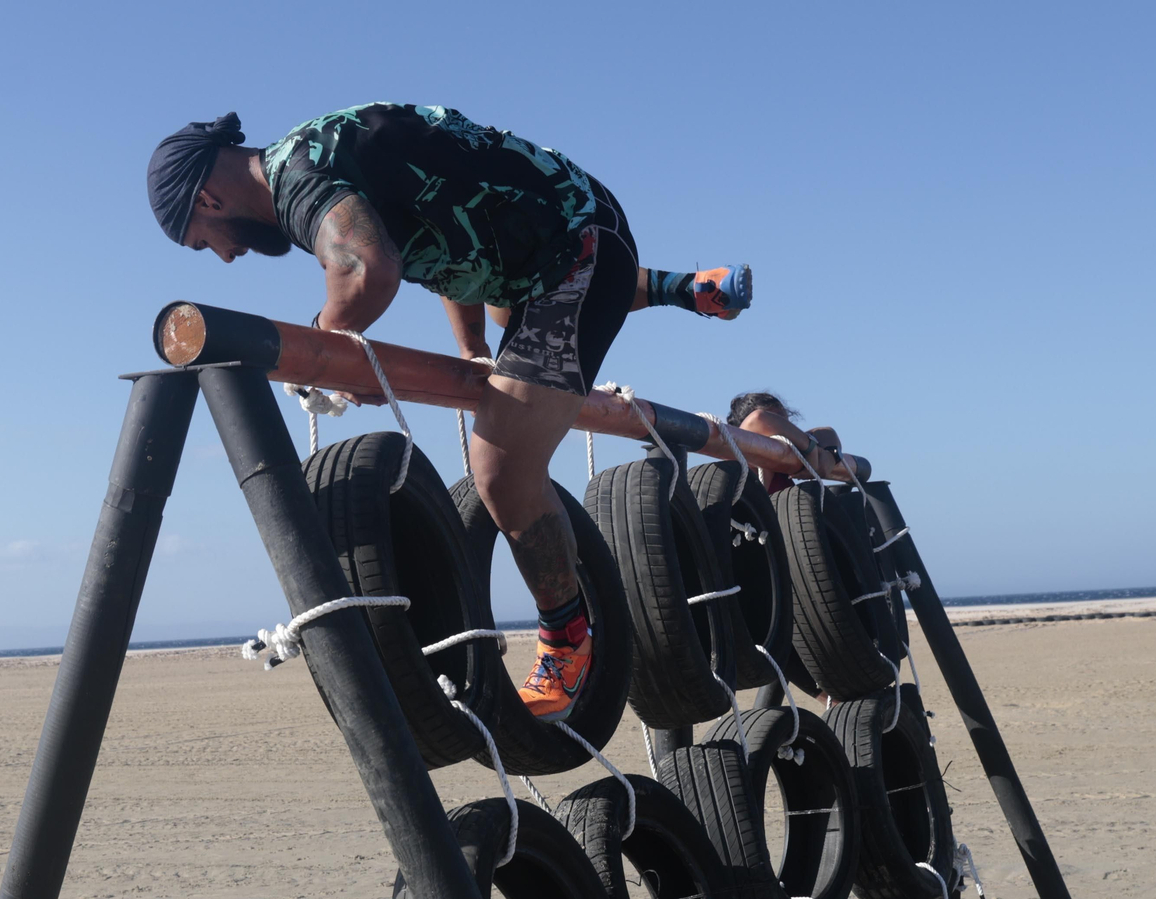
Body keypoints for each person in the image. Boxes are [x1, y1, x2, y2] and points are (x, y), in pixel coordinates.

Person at [147, 104, 753, 720]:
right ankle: (684, 288)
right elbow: (447, 234)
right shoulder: (319, 152)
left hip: (574, 252)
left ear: (209, 200)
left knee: (501, 472)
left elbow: (366, 269)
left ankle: (568, 638)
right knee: (501, 308)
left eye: (204, 242)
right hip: (566, 224)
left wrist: (324, 353)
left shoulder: (299, 184)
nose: (225, 257)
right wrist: (471, 350)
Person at [726, 392, 848, 492]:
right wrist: (810, 448)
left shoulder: (788, 454)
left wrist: (831, 455)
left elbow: (827, 432)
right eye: (777, 420)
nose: (785, 429)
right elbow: (758, 418)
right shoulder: (740, 452)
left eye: (786, 422)